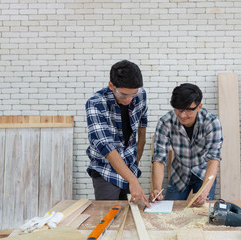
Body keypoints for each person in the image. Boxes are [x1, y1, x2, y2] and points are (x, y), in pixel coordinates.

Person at [86, 60, 150, 208]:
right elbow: (106, 147)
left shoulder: (140, 95)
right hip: (106, 170)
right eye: (123, 95)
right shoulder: (95, 103)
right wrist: (133, 180)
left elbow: (142, 126)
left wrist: (136, 160)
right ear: (111, 86)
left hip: (130, 166)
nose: (128, 99)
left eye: (133, 94)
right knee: (109, 216)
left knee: (132, 215)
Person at [150, 83, 223, 207]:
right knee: (167, 210)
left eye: (188, 110)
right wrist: (157, 188)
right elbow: (159, 159)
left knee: (201, 213)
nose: (183, 115)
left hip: (204, 174)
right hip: (179, 174)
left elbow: (213, 160)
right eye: (179, 109)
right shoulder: (165, 122)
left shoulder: (211, 122)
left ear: (199, 106)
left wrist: (204, 192)